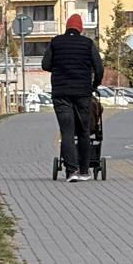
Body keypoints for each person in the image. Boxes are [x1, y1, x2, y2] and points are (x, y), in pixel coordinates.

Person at [42, 14, 104, 181]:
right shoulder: (88, 44)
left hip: (61, 94)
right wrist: (94, 86)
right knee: (84, 131)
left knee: (67, 132)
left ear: (67, 27)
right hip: (83, 94)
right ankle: (84, 171)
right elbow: (99, 69)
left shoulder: (56, 42)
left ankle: (71, 172)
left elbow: (45, 65)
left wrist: (59, 67)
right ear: (80, 28)